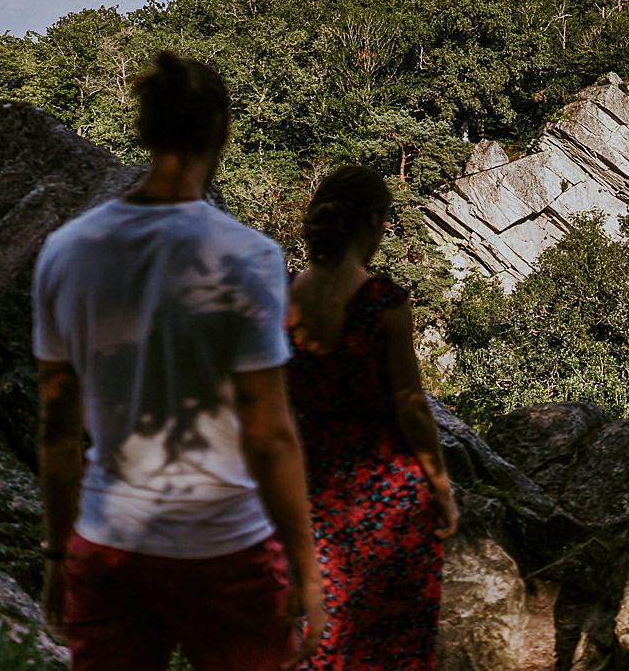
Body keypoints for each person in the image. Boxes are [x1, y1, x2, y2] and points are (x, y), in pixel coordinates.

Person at [33, 51, 327, 671]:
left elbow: (58, 434)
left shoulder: (67, 253)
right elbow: (270, 434)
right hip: (225, 545)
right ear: (220, 132)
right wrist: (307, 573)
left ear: (144, 131)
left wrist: (59, 557)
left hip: (109, 544)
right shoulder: (245, 257)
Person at [285, 165, 458, 670]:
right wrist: (441, 487)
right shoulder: (383, 302)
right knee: (395, 642)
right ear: (375, 221)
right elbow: (410, 404)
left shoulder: (287, 295)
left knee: (323, 635)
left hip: (315, 485)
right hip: (388, 492)